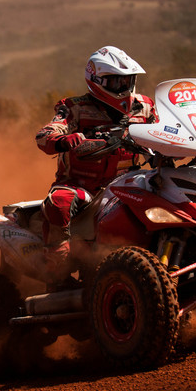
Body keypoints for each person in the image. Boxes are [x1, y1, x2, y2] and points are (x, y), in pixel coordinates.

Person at [35, 46, 156, 288]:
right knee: (59, 201)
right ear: (97, 81)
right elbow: (45, 134)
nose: (124, 87)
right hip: (83, 186)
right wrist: (62, 139)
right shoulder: (75, 107)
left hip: (132, 183)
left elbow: (168, 130)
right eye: (116, 82)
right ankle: (57, 271)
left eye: (128, 80)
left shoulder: (144, 106)